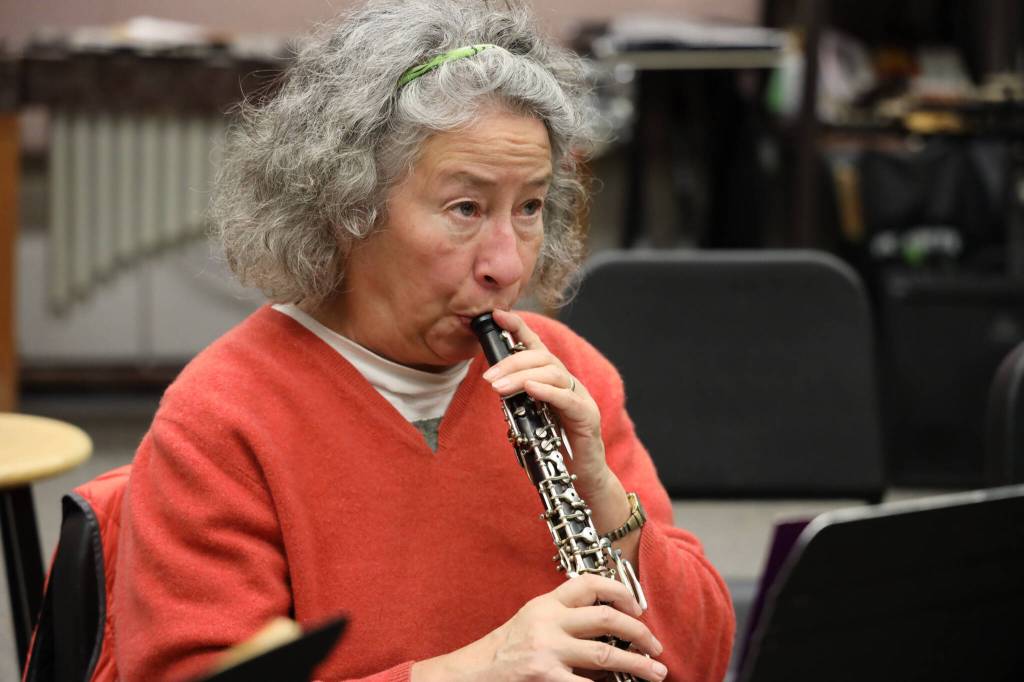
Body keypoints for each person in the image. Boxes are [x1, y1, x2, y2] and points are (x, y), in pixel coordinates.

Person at [114, 1, 735, 680]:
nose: (507, 263)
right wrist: (476, 670)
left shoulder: (569, 372)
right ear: (350, 208)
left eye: (528, 207)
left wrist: (607, 497)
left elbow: (702, 659)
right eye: (465, 208)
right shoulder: (223, 417)